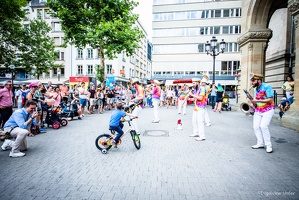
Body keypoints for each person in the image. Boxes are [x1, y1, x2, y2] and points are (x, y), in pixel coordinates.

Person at [250, 74, 275, 153]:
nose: (252, 83)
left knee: (263, 126)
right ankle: (260, 143)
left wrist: (257, 101)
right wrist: (252, 103)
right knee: (256, 127)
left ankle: (268, 145)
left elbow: (270, 100)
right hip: (258, 110)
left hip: (268, 110)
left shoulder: (267, 87)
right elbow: (256, 100)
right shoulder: (256, 89)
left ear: (259, 80)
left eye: (253, 81)